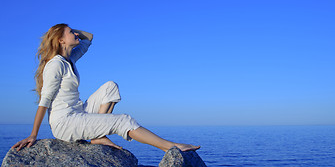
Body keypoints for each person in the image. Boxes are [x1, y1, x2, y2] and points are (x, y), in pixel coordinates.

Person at [12, 23, 200, 152]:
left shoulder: (70, 58)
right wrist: (33, 134)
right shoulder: (56, 64)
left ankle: (98, 136)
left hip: (78, 112)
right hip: (65, 122)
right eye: (71, 33)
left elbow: (90, 38)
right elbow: (45, 101)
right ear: (61, 40)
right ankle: (171, 147)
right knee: (123, 121)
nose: (76, 34)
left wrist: (69, 32)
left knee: (110, 87)